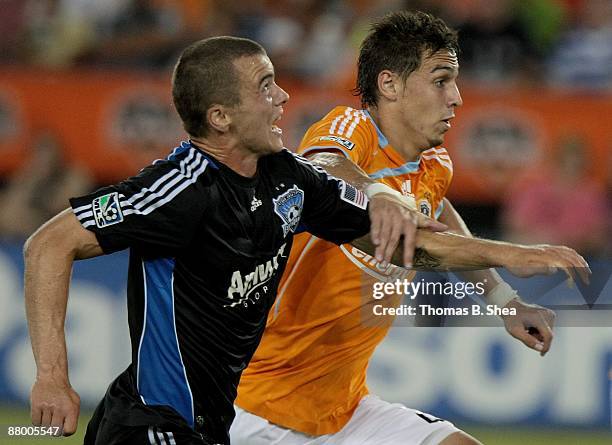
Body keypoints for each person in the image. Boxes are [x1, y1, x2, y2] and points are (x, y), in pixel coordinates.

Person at [23, 36, 442, 445]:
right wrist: (52, 377)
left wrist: (502, 270)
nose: (282, 96)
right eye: (264, 86)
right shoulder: (181, 188)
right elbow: (48, 245)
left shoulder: (282, 176)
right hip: (154, 421)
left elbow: (407, 236)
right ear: (221, 117)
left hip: (211, 425)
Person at [231, 11, 590, 445]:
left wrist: (504, 300)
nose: (456, 97)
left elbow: (441, 223)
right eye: (441, 80)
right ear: (390, 84)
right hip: (253, 406)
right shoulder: (354, 128)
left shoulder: (435, 165)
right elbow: (323, 163)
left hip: (343, 410)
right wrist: (378, 193)